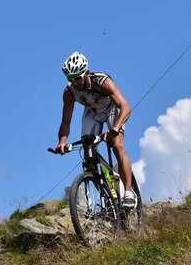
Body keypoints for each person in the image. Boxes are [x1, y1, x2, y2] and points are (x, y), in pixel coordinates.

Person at [53, 51, 137, 208]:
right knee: (88, 155)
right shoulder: (69, 92)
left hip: (113, 109)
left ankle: (128, 192)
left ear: (86, 73)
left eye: (77, 78)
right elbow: (65, 122)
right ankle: (109, 195)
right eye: (70, 79)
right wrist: (62, 142)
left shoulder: (102, 81)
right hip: (93, 112)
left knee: (117, 146)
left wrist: (115, 128)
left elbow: (126, 107)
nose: (75, 82)